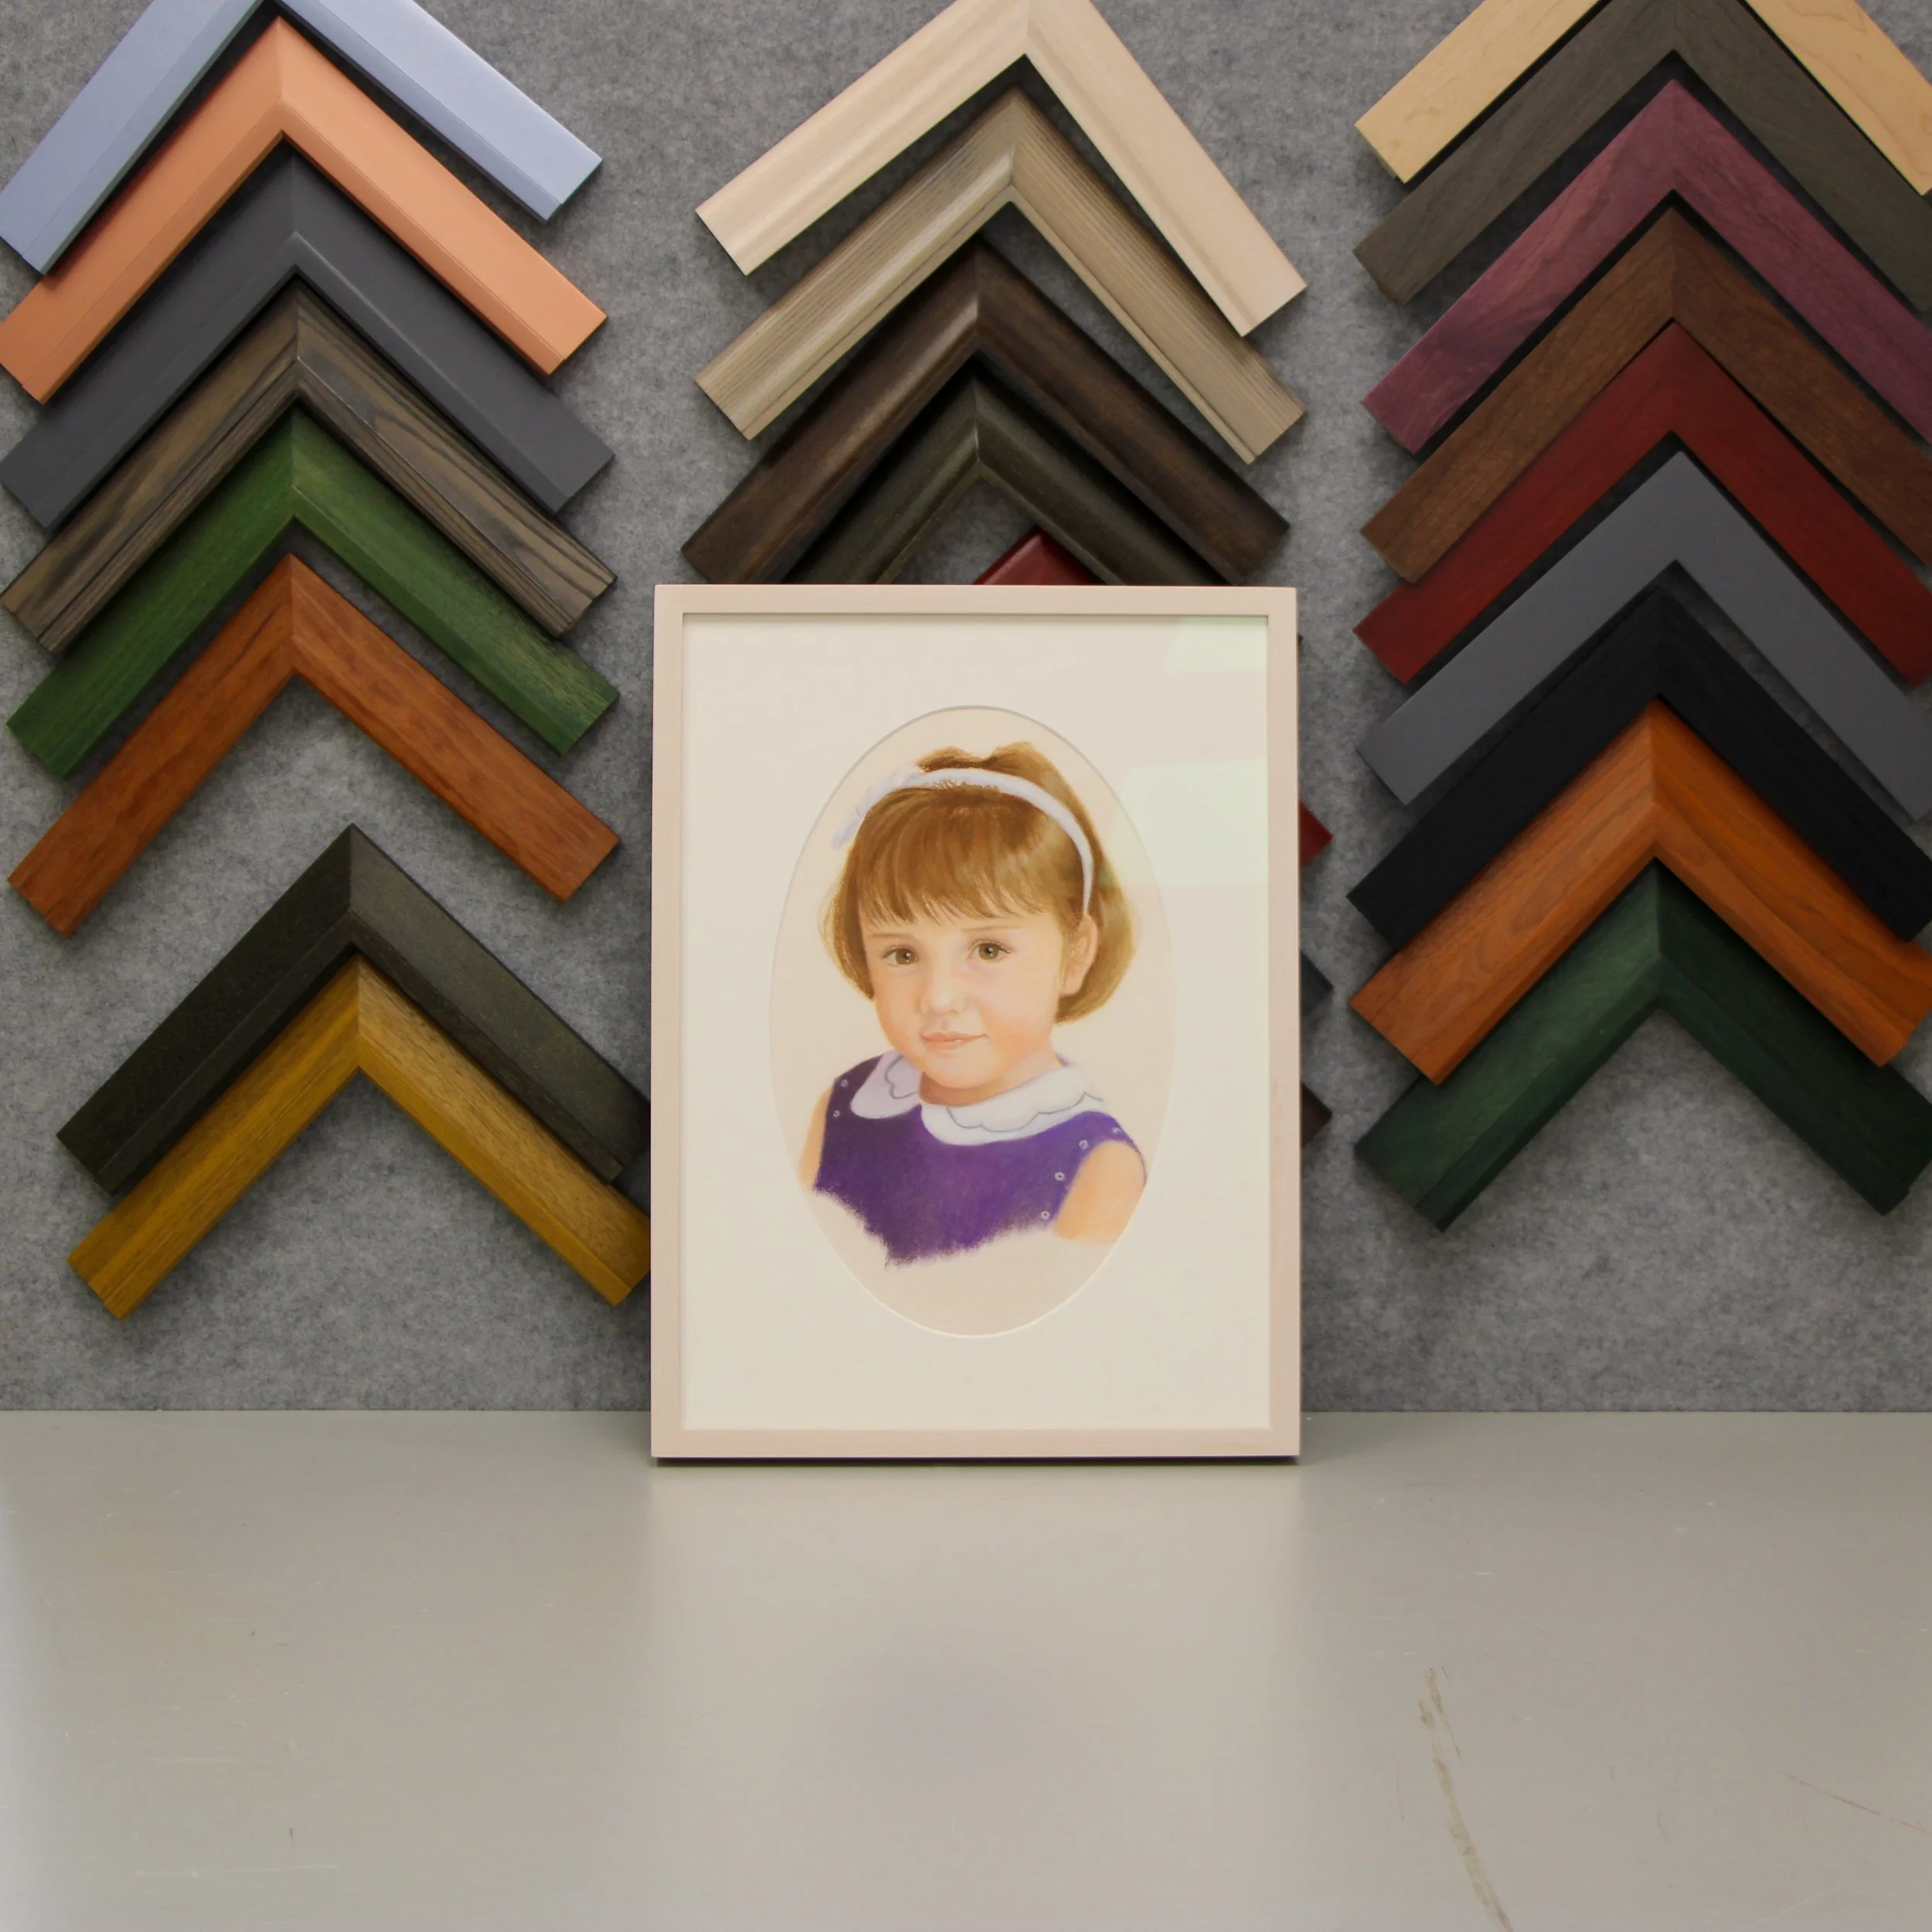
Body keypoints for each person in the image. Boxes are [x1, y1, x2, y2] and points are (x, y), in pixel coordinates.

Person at [798, 743, 1144, 1266]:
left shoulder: (1098, 1166)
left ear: (1075, 954)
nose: (938, 997)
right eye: (901, 953)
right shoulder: (846, 1105)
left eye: (987, 950)